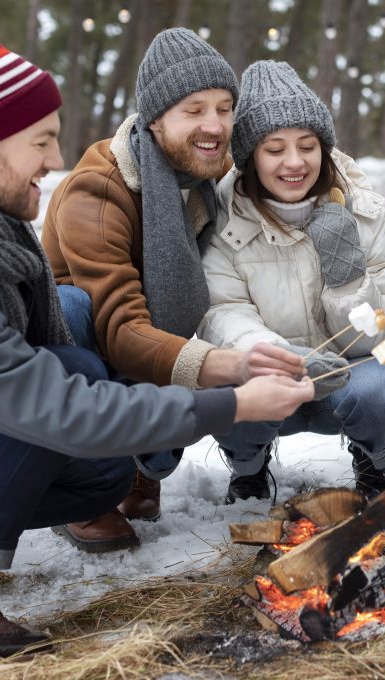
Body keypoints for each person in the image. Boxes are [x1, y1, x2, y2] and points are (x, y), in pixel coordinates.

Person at [0, 35, 313, 665]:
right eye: (40, 141)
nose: (56, 157)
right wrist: (231, 402)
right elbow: (61, 408)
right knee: (52, 403)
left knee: (96, 466)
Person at [42, 29, 307, 550]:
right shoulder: (97, 191)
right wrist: (233, 366)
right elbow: (119, 328)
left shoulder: (203, 175)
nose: (215, 126)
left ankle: (146, 465)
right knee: (70, 311)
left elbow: (294, 165)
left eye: (225, 108)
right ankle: (74, 484)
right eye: (194, 110)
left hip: (152, 340)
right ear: (155, 118)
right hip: (92, 349)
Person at [198, 60, 385, 500]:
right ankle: (249, 467)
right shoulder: (221, 217)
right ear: (251, 157)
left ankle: (372, 461)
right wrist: (281, 356)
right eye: (275, 149)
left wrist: (347, 279)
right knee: (226, 382)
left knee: (384, 386)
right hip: (270, 378)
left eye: (307, 146)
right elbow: (222, 314)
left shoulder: (362, 211)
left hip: (350, 372)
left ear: (324, 148)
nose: (294, 163)